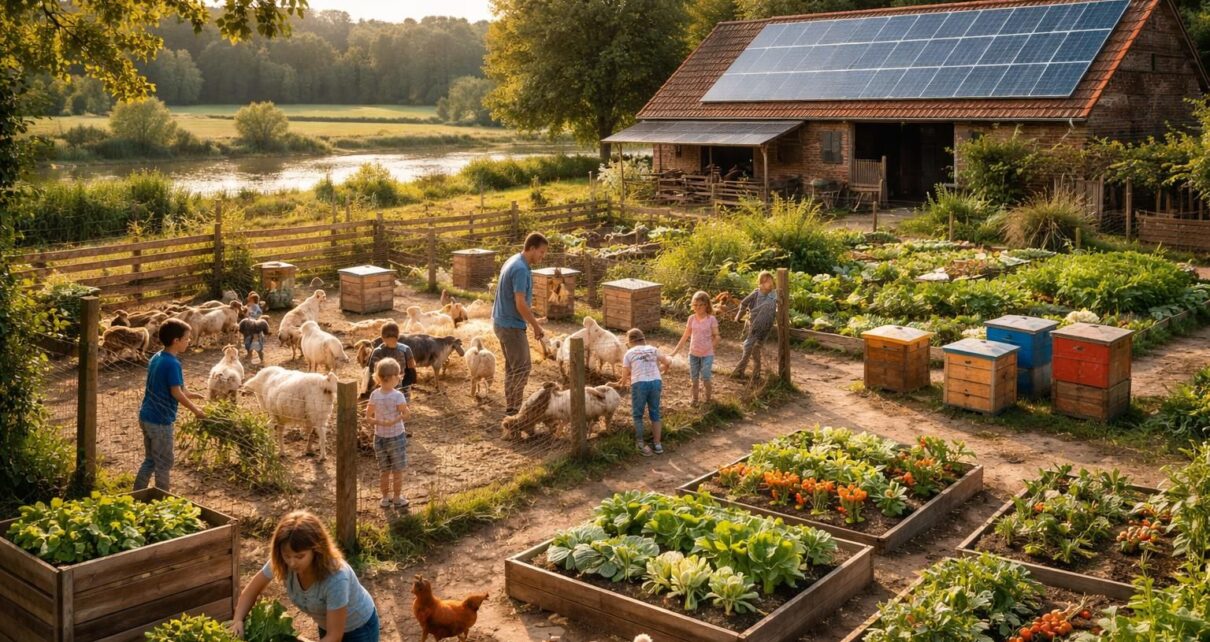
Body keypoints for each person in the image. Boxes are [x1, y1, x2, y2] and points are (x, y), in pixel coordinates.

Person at [232, 510, 379, 642]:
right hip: (326, 625)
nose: (292, 562)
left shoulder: (336, 577)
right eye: (287, 555)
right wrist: (238, 620)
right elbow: (251, 591)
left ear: (317, 550)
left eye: (299, 556)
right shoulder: (281, 562)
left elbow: (334, 637)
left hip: (359, 629)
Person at [134, 318, 205, 492]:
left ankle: (136, 495)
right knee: (164, 462)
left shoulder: (157, 357)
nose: (189, 341)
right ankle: (162, 499)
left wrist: (193, 395)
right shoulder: (173, 363)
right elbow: (176, 393)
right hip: (160, 420)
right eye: (187, 338)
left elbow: (178, 389)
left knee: (150, 460)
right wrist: (197, 411)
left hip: (146, 415)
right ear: (176, 341)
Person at [492, 232, 548, 416]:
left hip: (502, 322)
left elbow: (514, 301)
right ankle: (515, 412)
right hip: (511, 326)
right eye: (541, 251)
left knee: (513, 368)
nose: (542, 256)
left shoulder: (514, 260)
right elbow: (520, 303)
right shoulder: (521, 269)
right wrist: (536, 327)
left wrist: (530, 319)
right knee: (522, 367)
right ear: (531, 248)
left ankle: (511, 409)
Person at [365, 358, 409, 508]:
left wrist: (380, 422)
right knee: (397, 470)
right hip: (396, 437)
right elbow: (406, 414)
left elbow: (368, 417)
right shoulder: (398, 396)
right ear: (392, 377)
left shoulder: (374, 395)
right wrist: (393, 421)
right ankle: (397, 498)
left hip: (379, 438)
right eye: (398, 375)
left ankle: (385, 499)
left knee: (384, 471)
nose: (399, 378)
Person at [620, 328, 671, 457]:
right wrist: (665, 368)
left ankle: (641, 443)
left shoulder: (629, 353)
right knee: (655, 412)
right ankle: (657, 444)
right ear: (643, 339)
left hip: (639, 383)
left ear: (630, 341)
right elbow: (666, 361)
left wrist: (622, 382)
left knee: (638, 415)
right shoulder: (653, 349)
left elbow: (625, 372)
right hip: (655, 381)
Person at [670, 290, 720, 407]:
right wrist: (674, 352)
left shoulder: (711, 319)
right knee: (694, 379)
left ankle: (708, 400)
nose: (698, 307)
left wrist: (710, 347)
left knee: (706, 377)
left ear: (706, 305)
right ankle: (695, 400)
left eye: (701, 305)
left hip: (707, 355)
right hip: (693, 354)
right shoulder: (691, 318)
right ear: (693, 306)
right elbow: (685, 336)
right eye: (695, 305)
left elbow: (717, 337)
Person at [734, 271, 777, 379]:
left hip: (766, 326)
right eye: (766, 281)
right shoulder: (756, 293)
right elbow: (744, 303)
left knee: (756, 348)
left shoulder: (774, 294)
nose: (769, 283)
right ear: (761, 283)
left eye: (770, 280)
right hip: (755, 324)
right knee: (749, 346)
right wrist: (739, 316)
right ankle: (739, 370)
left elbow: (780, 304)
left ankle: (756, 373)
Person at [360, 321, 417, 402]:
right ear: (398, 336)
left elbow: (372, 372)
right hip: (396, 388)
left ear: (382, 337)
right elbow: (411, 368)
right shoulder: (405, 349)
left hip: (386, 387)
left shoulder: (378, 351)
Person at [243, 291, 264, 359]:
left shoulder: (255, 307)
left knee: (255, 340)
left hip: (254, 326)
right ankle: (250, 354)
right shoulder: (251, 306)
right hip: (249, 325)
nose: (248, 300)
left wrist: (247, 313)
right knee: (248, 340)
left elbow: (256, 315)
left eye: (250, 299)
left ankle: (260, 353)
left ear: (253, 300)